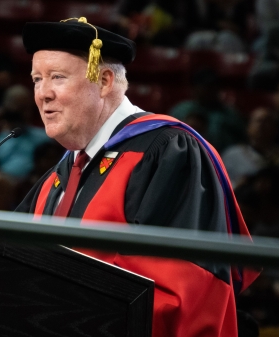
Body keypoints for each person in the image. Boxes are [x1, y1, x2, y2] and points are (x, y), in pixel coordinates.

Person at [15, 17, 257, 337]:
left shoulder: (167, 151)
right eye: (36, 79)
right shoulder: (57, 177)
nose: (43, 94)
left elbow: (179, 292)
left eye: (57, 77)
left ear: (103, 81)